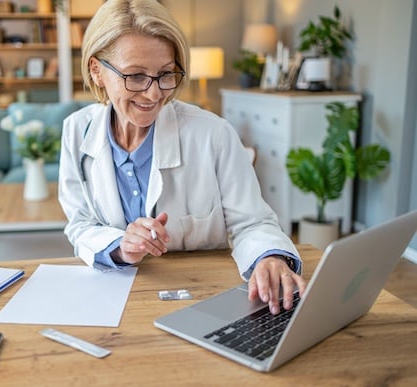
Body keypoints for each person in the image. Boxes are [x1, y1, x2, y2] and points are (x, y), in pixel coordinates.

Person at [58, 0, 307, 315]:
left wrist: (268, 258)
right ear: (97, 71)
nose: (153, 94)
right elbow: (79, 223)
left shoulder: (214, 134)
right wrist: (120, 246)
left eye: (165, 74)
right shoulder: (76, 131)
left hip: (201, 299)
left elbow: (252, 222)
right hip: (112, 300)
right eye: (135, 76)